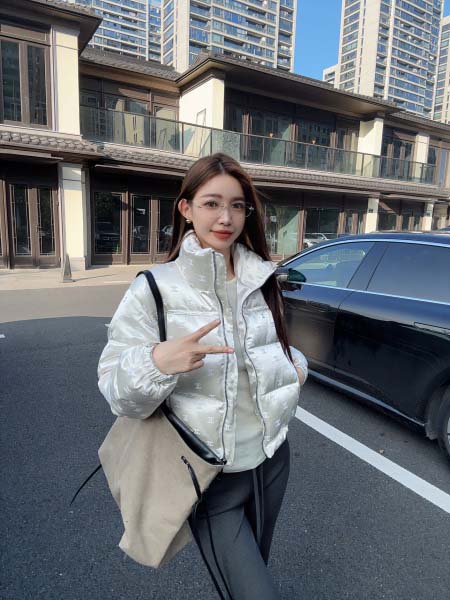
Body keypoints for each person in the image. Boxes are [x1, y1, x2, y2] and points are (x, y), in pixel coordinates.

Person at [97, 153, 308, 600]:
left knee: (251, 574)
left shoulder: (261, 279)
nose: (226, 218)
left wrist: (296, 369)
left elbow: (275, 352)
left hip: (271, 461)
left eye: (237, 206)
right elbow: (116, 390)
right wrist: (158, 362)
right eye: (212, 203)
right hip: (209, 473)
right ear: (186, 208)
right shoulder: (155, 287)